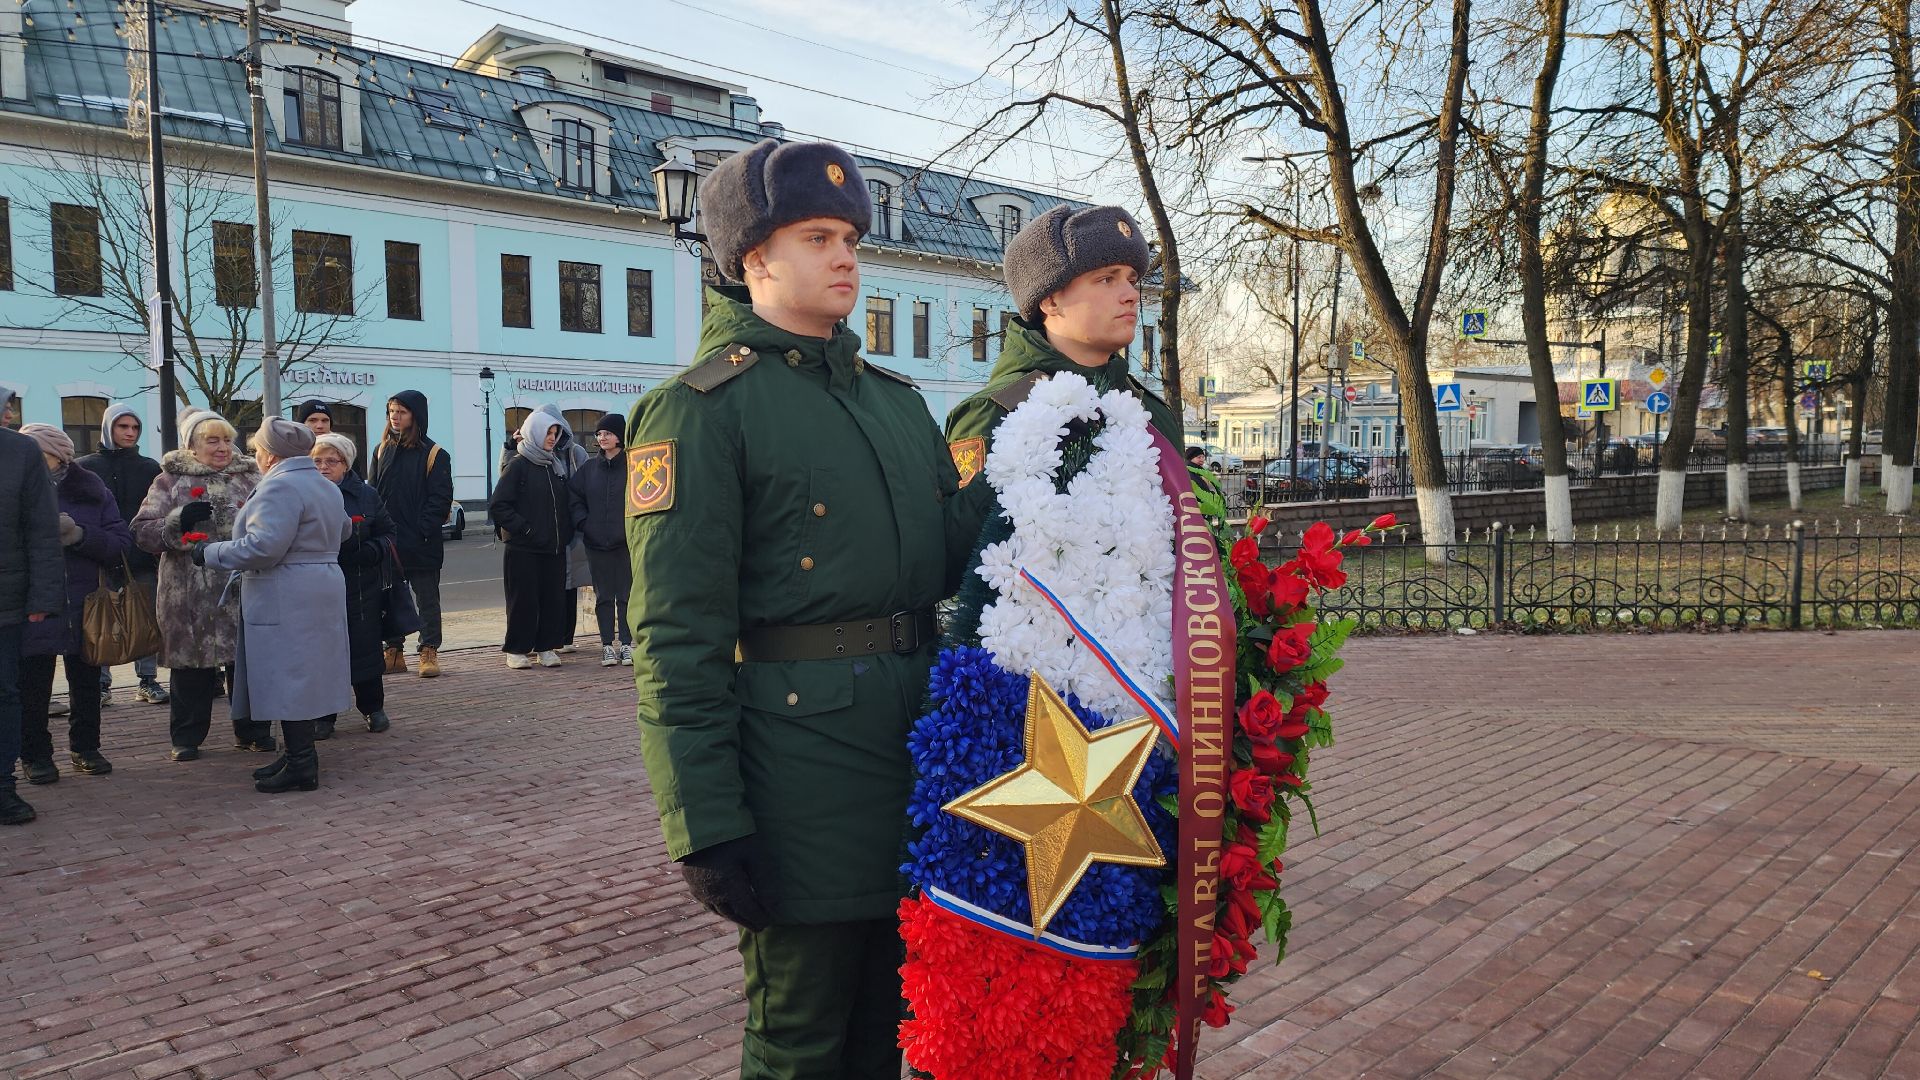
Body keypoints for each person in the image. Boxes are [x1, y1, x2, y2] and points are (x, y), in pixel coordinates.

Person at [626, 139, 972, 1080]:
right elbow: (676, 638)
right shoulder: (702, 412)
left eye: (852, 235)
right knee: (802, 1035)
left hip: (913, 755)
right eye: (817, 235)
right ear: (752, 258)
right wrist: (704, 823)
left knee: (892, 1027)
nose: (848, 255)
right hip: (796, 773)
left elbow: (949, 564)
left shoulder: (898, 407)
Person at [945, 205, 1182, 474]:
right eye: (1106, 279)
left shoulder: (1150, 410)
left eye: (1131, 280)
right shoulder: (995, 414)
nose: (1131, 294)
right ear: (1051, 300)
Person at [196, 420, 350, 794]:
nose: (255, 456)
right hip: (319, 583)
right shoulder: (322, 484)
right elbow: (344, 529)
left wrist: (210, 552)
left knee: (289, 675)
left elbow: (264, 547)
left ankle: (301, 763)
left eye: (257, 449)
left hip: (286, 589)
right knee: (303, 672)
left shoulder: (280, 485)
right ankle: (298, 754)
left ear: (270, 453)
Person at [131, 409, 265, 760]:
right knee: (190, 666)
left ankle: (253, 731)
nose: (223, 448)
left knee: (249, 663)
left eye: (227, 440)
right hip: (188, 589)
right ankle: (187, 737)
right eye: (212, 440)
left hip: (243, 585)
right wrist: (175, 523)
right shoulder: (169, 480)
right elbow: (142, 532)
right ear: (192, 446)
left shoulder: (252, 476)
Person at [15, 424, 133, 783]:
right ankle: (36, 755)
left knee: (86, 682)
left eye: (39, 454)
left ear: (59, 455)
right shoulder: (15, 490)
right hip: (34, 601)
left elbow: (120, 542)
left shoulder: (91, 488)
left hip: (86, 604)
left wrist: (79, 535)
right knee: (32, 686)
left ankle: (86, 748)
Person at [76, 403, 168, 707]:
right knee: (100, 619)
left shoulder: (149, 467)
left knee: (144, 616)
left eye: (134, 427)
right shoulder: (86, 466)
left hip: (140, 554)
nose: (129, 433)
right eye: (122, 426)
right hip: (99, 554)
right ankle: (102, 684)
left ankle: (147, 680)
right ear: (108, 428)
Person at [0, 391, 63, 825]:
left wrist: (42, 597)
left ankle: (3, 786)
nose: (8, 413)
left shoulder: (20, 451)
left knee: (5, 694)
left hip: (7, 600)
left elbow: (41, 529)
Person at [312, 433, 394, 735]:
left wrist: (372, 550)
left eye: (331, 461)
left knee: (364, 649)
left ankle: (373, 708)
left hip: (360, 586)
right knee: (323, 653)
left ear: (346, 464)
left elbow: (388, 532)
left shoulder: (365, 495)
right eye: (317, 461)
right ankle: (324, 715)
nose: (323, 467)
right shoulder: (305, 493)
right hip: (318, 588)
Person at [370, 391, 451, 678]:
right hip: (388, 542)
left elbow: (440, 500)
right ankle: (393, 649)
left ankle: (428, 649)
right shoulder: (381, 450)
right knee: (388, 598)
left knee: (426, 598)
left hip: (421, 542)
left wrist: (421, 531)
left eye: (402, 412)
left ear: (415, 416)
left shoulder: (434, 454)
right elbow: (373, 495)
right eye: (392, 411)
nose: (395, 416)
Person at [489, 411, 575, 669]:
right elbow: (499, 505)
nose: (552, 438)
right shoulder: (519, 465)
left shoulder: (554, 466)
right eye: (548, 433)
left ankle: (546, 647)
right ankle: (517, 649)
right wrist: (525, 530)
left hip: (554, 548)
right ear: (535, 432)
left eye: (555, 433)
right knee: (523, 600)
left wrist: (566, 532)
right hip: (524, 548)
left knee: (552, 600)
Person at [569, 412, 632, 667]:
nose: (602, 437)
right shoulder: (589, 469)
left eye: (607, 433)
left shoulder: (633, 465)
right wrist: (585, 524)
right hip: (597, 543)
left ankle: (627, 644)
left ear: (620, 436)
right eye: (599, 434)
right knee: (603, 596)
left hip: (626, 543)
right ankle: (607, 645)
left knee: (627, 595)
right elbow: (574, 498)